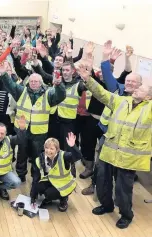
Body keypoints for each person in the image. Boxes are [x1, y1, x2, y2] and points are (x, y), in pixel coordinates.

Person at [77, 61, 152, 229]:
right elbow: (101, 93)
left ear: (148, 97)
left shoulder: (149, 109)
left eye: (140, 89)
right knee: (103, 181)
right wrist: (88, 79)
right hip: (109, 151)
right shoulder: (121, 101)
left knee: (123, 189)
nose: (135, 89)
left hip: (128, 158)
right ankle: (106, 205)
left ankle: (126, 214)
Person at [1, 70, 66, 182]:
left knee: (37, 156)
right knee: (22, 153)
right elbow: (10, 85)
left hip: (39, 132)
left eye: (36, 81)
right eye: (31, 81)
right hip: (22, 130)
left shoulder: (49, 94)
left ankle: (36, 176)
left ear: (41, 83)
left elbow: (61, 96)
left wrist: (59, 85)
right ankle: (21, 175)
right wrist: (4, 74)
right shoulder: (21, 91)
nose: (33, 83)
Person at [30, 133, 81, 212]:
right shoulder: (40, 159)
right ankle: (49, 198)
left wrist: (72, 146)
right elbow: (35, 178)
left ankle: (63, 199)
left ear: (57, 150)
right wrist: (32, 198)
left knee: (49, 193)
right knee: (38, 187)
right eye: (46, 148)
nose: (48, 151)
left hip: (65, 184)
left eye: (51, 148)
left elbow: (78, 156)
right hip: (52, 180)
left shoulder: (64, 156)